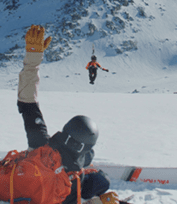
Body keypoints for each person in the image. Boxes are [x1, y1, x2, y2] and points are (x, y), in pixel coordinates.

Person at [17, 25, 118, 204]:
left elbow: (28, 102)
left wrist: (33, 59)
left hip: (51, 185)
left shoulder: (41, 143)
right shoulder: (54, 159)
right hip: (51, 192)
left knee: (99, 181)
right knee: (101, 181)